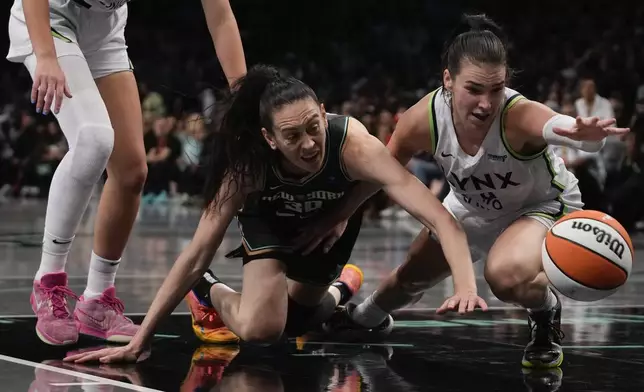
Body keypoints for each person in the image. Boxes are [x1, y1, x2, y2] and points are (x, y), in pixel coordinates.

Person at [63, 64, 486, 363]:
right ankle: (209, 292)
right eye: (291, 136)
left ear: (323, 112)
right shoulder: (247, 169)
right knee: (262, 331)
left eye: (313, 127)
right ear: (268, 138)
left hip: (328, 222)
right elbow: (195, 252)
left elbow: (441, 218)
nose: (307, 144)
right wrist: (141, 338)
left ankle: (338, 289)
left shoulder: (355, 145)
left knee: (301, 322)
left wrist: (466, 285)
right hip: (271, 219)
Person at [296, 14, 629, 369]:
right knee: (408, 277)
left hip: (539, 206)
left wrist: (582, 136)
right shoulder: (420, 120)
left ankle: (545, 312)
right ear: (448, 81)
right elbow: (379, 174)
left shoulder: (516, 115)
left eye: (496, 88)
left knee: (503, 276)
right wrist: (339, 216)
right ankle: (363, 319)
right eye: (474, 89)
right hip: (471, 207)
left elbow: (554, 124)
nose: (486, 103)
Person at [6, 0, 246, 345]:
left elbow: (221, 17)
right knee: (93, 139)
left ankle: (97, 301)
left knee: (131, 171)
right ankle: (48, 282)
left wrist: (243, 94)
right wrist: (45, 55)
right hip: (52, 18)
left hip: (105, 29)